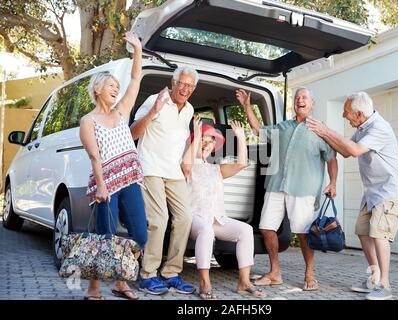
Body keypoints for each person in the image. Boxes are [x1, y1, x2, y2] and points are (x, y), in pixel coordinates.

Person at [306, 92, 398, 300]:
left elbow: (353, 150)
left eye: (346, 112)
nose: (344, 115)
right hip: (372, 191)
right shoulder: (362, 128)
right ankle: (374, 277)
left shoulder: (380, 128)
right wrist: (323, 134)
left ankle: (385, 285)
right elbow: (344, 150)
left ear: (359, 114)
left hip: (390, 189)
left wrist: (326, 130)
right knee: (362, 230)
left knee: (379, 233)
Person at [236, 87, 338, 291]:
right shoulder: (283, 127)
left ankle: (309, 274)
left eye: (304, 97)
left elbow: (332, 159)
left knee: (303, 234)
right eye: (297, 97)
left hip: (303, 189)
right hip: (276, 185)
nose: (300, 100)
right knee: (266, 228)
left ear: (312, 103)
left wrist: (333, 182)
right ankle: (275, 273)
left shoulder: (320, 129)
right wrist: (247, 107)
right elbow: (258, 130)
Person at [79, 31, 147, 300]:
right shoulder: (88, 121)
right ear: (97, 89)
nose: (116, 89)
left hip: (129, 180)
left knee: (140, 234)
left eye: (116, 87)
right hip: (105, 183)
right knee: (103, 238)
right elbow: (95, 157)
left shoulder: (121, 112)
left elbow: (135, 78)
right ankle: (93, 289)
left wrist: (138, 48)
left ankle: (121, 281)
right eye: (111, 86)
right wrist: (102, 187)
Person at [181, 116, 267, 300]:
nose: (206, 145)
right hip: (195, 219)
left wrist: (241, 137)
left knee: (246, 229)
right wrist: (196, 137)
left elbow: (242, 164)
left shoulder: (216, 168)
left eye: (210, 142)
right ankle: (204, 282)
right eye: (203, 141)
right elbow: (186, 166)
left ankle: (244, 282)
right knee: (206, 231)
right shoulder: (186, 164)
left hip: (217, 218)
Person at [130, 67, 198, 295]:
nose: (185, 89)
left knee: (185, 217)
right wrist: (153, 112)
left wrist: (188, 161)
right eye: (182, 83)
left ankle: (171, 272)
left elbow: (179, 141)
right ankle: (148, 274)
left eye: (190, 86)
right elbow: (133, 133)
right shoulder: (154, 100)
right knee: (159, 219)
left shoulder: (189, 110)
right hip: (150, 167)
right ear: (173, 82)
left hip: (174, 171)